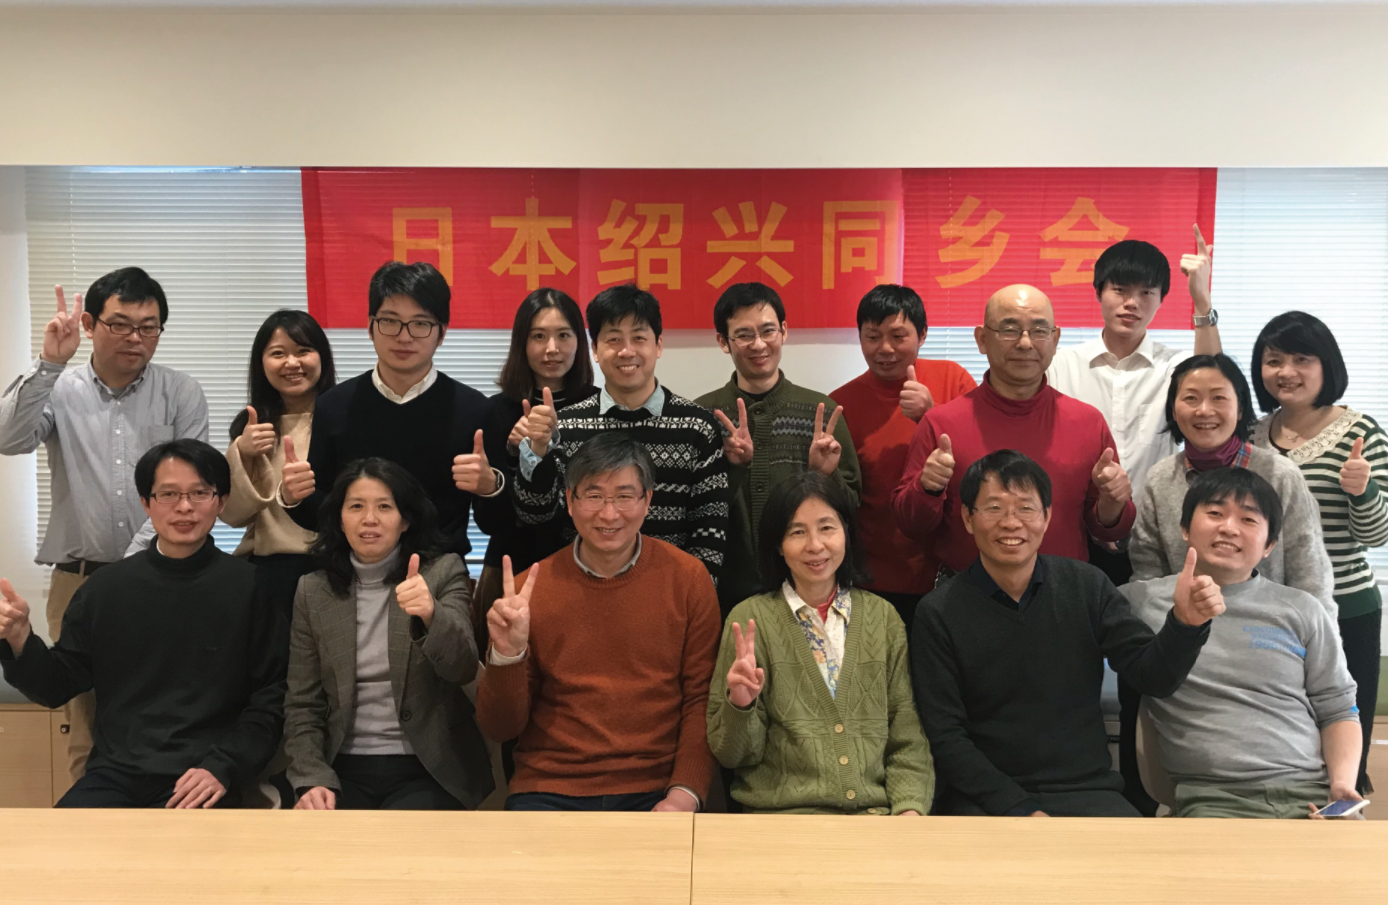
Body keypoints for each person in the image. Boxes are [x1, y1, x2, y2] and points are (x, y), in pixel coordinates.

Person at [912, 450, 1218, 817]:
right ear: (967, 517)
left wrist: (1185, 624)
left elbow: (1152, 677)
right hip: (984, 800)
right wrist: (1018, 807)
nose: (1011, 523)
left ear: (1047, 517)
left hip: (1088, 791)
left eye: (1026, 508)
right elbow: (944, 735)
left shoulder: (1087, 586)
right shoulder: (939, 612)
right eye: (994, 508)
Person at [0, 269, 209, 785]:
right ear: (90, 325)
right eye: (120, 324)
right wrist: (49, 363)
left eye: (149, 326)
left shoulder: (180, 391)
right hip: (79, 581)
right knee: (85, 722)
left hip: (169, 579)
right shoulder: (59, 388)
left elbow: (192, 491)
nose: (136, 337)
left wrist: (134, 567)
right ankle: (89, 823)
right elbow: (9, 439)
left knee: (178, 711)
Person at [0, 439, 286, 808]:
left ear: (221, 501)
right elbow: (57, 685)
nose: (184, 507)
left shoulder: (253, 588)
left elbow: (272, 698)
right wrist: (20, 639)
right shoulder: (104, 589)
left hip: (204, 775)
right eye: (168, 494)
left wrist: (224, 765)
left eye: (200, 492)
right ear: (146, 503)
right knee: (64, 839)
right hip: (116, 774)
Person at [477, 432, 721, 812]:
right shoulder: (526, 592)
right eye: (593, 496)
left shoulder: (688, 579)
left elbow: (701, 699)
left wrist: (683, 793)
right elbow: (500, 728)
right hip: (548, 787)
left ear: (647, 501)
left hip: (656, 787)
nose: (609, 514)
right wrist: (507, 656)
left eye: (624, 496)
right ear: (569, 501)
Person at [1123, 468, 1362, 818]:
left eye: (1249, 519)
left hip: (1314, 793)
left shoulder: (1302, 609)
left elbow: (1339, 709)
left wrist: (1341, 786)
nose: (1229, 528)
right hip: (1212, 799)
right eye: (1215, 512)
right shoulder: (1141, 602)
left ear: (1269, 546)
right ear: (1185, 528)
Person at [706, 471, 933, 814]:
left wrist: (909, 811)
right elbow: (732, 755)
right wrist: (740, 704)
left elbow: (907, 736)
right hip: (781, 821)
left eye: (827, 527)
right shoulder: (749, 619)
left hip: (874, 820)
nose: (815, 545)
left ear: (847, 533)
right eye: (797, 532)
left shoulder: (883, 618)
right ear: (778, 545)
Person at [284, 458, 493, 811]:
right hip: (342, 766)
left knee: (405, 840)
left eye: (384, 507)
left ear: (405, 519)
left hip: (430, 768)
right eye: (356, 507)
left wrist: (431, 614)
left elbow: (462, 668)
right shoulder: (313, 590)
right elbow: (303, 703)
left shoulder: (442, 572)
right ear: (339, 519)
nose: (370, 519)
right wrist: (312, 777)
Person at [892, 285, 1135, 582]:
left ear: (1055, 339)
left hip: (1064, 594)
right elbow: (910, 524)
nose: (1025, 343)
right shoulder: (941, 424)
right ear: (982, 339)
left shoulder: (1088, 422)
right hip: (966, 594)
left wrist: (1113, 502)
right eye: (1009, 330)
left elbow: (1109, 529)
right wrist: (927, 487)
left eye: (1039, 331)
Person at [282, 261, 505, 564]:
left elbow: (495, 523)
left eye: (420, 323)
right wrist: (293, 498)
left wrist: (491, 488)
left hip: (440, 571)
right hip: (353, 571)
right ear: (370, 327)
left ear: (441, 333)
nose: (404, 336)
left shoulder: (474, 409)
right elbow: (322, 518)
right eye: (390, 321)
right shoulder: (334, 406)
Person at [1251, 311, 1385, 794]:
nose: (1286, 371)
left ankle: (1343, 814)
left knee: (1344, 739)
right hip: (1271, 611)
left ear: (1326, 365)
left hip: (1346, 607)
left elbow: (1377, 535)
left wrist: (1363, 492)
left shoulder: (1360, 432)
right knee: (1283, 736)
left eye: (1301, 359)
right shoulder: (1252, 436)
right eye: (1273, 360)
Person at [513, 284, 729, 583]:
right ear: (595, 349)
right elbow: (535, 517)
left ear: (658, 346)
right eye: (613, 339)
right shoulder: (567, 426)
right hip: (584, 591)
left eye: (639, 338)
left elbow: (711, 530)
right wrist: (538, 450)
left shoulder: (698, 427)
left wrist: (691, 597)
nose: (627, 351)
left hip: (670, 595)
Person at [696, 282, 862, 615]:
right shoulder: (703, 416)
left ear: (784, 331)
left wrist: (824, 475)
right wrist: (733, 469)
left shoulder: (822, 413)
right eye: (743, 335)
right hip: (727, 592)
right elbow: (695, 513)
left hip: (808, 590)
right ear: (723, 342)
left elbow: (852, 507)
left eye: (768, 330)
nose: (758, 344)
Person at [1130, 353, 1334, 612]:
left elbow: (1310, 574)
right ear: (1173, 410)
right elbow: (1148, 577)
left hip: (1269, 627)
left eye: (1219, 398)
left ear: (1239, 409)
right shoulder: (1160, 479)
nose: (1204, 410)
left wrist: (1313, 630)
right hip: (1184, 625)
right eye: (1191, 398)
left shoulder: (1279, 475)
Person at [830, 285, 976, 627]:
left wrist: (932, 415)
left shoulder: (953, 379)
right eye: (872, 337)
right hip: (874, 577)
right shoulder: (842, 404)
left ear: (922, 335)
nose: (885, 349)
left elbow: (982, 463)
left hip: (952, 572)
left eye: (898, 336)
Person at [1047, 232, 1221, 509]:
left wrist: (1202, 300)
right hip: (1075, 521)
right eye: (1120, 290)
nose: (1132, 302)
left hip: (1152, 526)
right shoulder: (1060, 365)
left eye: (1146, 292)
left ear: (1161, 299)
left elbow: (1213, 383)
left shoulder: (1173, 366)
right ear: (1098, 292)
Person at [476, 289, 598, 622]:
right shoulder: (494, 412)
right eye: (539, 336)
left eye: (564, 335)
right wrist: (512, 454)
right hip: (510, 568)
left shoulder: (600, 408)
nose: (552, 348)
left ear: (580, 342)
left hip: (588, 568)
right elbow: (489, 522)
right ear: (521, 343)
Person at [221, 309, 336, 619]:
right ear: (261, 363)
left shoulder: (344, 419)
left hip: (335, 569)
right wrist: (243, 452)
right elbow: (232, 515)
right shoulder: (252, 428)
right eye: (278, 354)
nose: (292, 363)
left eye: (303, 351)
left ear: (322, 357)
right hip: (270, 571)